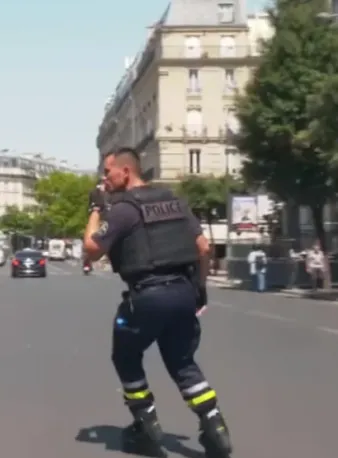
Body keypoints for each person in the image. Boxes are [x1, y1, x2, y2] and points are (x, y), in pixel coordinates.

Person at [83, 147, 232, 457]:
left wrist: (95, 210)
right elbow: (203, 248)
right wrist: (199, 289)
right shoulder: (175, 201)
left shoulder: (124, 209)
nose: (103, 178)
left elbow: (92, 249)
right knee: (182, 362)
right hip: (183, 293)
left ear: (126, 172)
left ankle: (146, 424)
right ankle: (215, 425)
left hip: (148, 295)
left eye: (107, 172)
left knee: (125, 355)